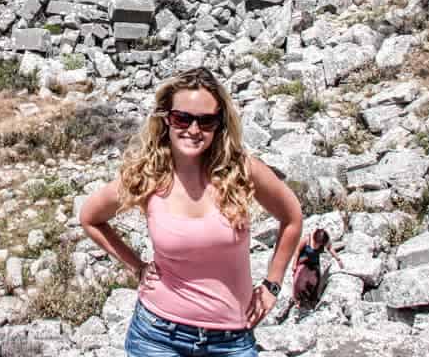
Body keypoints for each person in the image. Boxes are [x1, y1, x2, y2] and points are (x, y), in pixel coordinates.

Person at [78, 67, 304, 356]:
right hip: (157, 335)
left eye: (206, 121)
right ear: (166, 119)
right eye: (182, 118)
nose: (193, 130)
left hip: (231, 339)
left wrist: (272, 286)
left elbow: (292, 218)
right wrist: (137, 266)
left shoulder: (242, 170)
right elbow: (90, 218)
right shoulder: (149, 175)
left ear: (220, 124)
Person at [287, 228, 343, 312]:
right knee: (299, 282)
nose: (318, 245)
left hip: (314, 264)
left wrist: (338, 259)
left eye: (320, 244)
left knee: (314, 282)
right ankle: (299, 301)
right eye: (317, 243)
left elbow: (330, 248)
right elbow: (297, 251)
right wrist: (294, 264)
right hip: (303, 262)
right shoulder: (306, 239)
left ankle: (310, 302)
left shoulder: (323, 241)